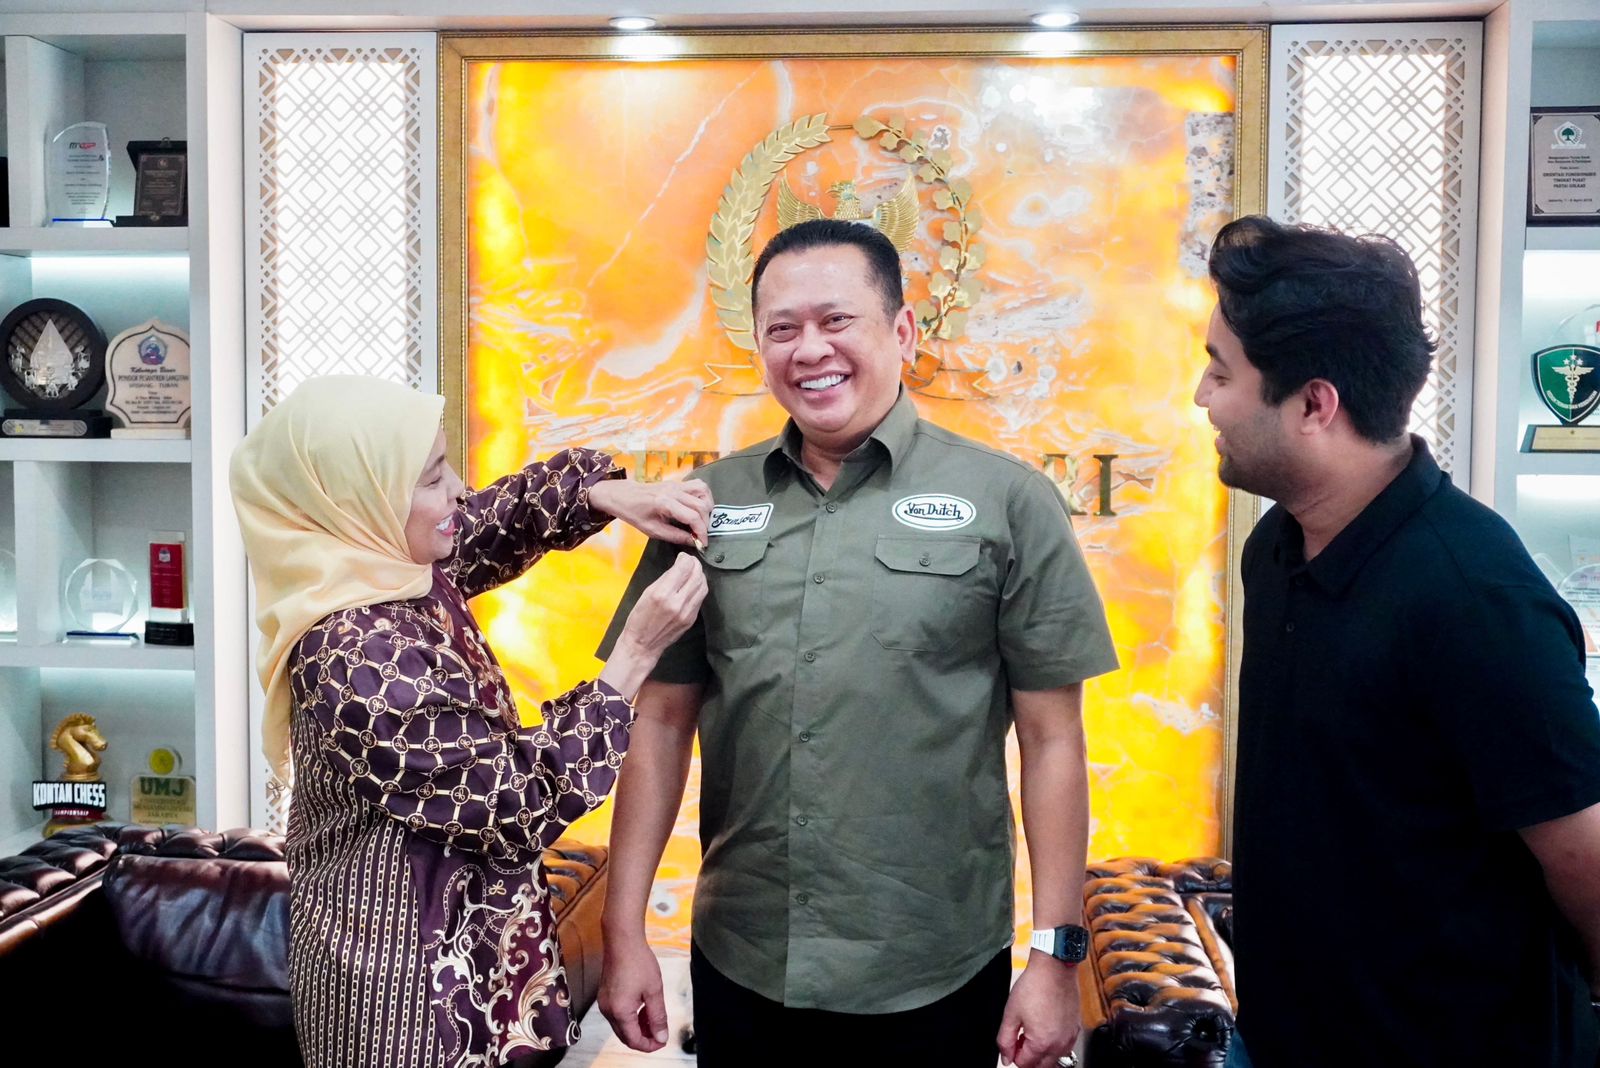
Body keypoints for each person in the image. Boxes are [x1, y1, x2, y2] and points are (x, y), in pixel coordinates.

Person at [596, 219, 1119, 1068]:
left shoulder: (1008, 501)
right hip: (746, 954)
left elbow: (1054, 740)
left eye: (836, 320)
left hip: (934, 964)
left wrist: (1055, 959)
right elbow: (657, 724)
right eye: (782, 328)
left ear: (902, 331)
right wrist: (624, 933)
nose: (810, 350)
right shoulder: (703, 505)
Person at [1194, 216, 1600, 1068]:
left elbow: (1584, 855)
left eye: (1221, 371)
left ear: (1315, 404)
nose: (1203, 396)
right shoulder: (1275, 548)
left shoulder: (1471, 596)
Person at [229, 375, 709, 1068]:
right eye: (432, 477)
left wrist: (606, 494)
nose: (457, 489)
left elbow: (488, 523)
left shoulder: (386, 566)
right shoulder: (353, 653)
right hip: (402, 996)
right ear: (360, 500)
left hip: (464, 957)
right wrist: (633, 656)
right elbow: (513, 800)